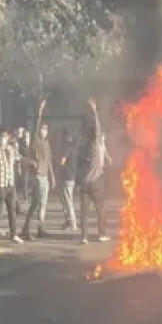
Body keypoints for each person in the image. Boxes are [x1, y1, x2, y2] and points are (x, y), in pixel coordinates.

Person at [78, 98, 112, 244]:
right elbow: (98, 130)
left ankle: (84, 237)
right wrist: (95, 111)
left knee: (84, 211)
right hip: (95, 182)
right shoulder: (95, 146)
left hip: (84, 183)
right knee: (100, 208)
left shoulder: (84, 147)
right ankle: (102, 234)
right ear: (95, 137)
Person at [21, 99, 56, 240]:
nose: (44, 131)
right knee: (36, 203)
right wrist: (40, 110)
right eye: (42, 129)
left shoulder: (47, 143)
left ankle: (39, 227)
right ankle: (27, 228)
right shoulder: (36, 140)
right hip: (37, 176)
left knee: (42, 204)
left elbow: (49, 161)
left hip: (45, 176)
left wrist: (52, 177)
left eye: (45, 129)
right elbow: (36, 124)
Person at [0, 127, 22, 244]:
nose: (3, 138)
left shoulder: (11, 149)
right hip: (0, 183)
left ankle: (14, 234)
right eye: (1, 136)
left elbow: (19, 159)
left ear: (8, 137)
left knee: (12, 210)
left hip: (10, 183)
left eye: (5, 136)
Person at [58, 128, 79, 231]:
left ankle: (72, 223)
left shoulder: (66, 147)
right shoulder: (75, 147)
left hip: (66, 176)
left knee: (68, 201)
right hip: (73, 177)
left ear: (65, 136)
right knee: (67, 200)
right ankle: (69, 222)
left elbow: (62, 161)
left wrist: (58, 165)